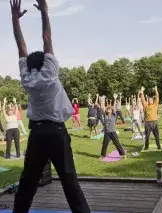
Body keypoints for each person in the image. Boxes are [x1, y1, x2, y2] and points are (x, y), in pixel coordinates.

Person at [10, 0, 90, 212]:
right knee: (69, 181)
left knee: (28, 182)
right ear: (46, 63)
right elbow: (47, 39)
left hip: (37, 134)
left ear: (29, 66)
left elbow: (21, 46)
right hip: (56, 133)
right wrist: (45, 11)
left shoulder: (26, 79)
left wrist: (14, 20)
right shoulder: (50, 74)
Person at [100, 94, 126, 160]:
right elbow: (102, 107)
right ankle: (103, 155)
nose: (108, 109)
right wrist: (102, 100)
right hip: (107, 133)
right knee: (105, 145)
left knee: (117, 143)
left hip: (113, 132)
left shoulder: (114, 115)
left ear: (111, 111)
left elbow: (114, 107)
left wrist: (114, 99)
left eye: (109, 109)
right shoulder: (105, 115)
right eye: (108, 109)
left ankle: (123, 154)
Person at [140, 86, 161, 150]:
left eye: (151, 99)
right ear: (148, 101)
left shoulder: (155, 104)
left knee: (156, 135)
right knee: (147, 136)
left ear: (152, 100)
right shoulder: (146, 105)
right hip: (147, 123)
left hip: (154, 122)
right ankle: (146, 146)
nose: (150, 100)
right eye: (149, 99)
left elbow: (157, 97)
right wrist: (142, 91)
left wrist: (156, 90)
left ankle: (158, 146)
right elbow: (142, 99)